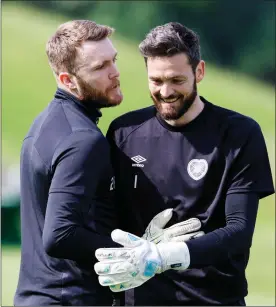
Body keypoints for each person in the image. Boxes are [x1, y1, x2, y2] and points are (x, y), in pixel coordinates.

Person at [14, 20, 204, 306]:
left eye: (113, 60)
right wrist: (142, 252)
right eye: (100, 67)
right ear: (68, 80)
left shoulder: (44, 126)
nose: (115, 73)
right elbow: (59, 235)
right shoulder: (83, 140)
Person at [94, 22, 275, 306]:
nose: (165, 91)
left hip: (214, 300)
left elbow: (239, 230)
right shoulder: (123, 133)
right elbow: (106, 220)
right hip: (140, 299)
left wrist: (166, 256)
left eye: (176, 80)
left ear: (199, 71)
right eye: (156, 81)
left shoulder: (239, 134)